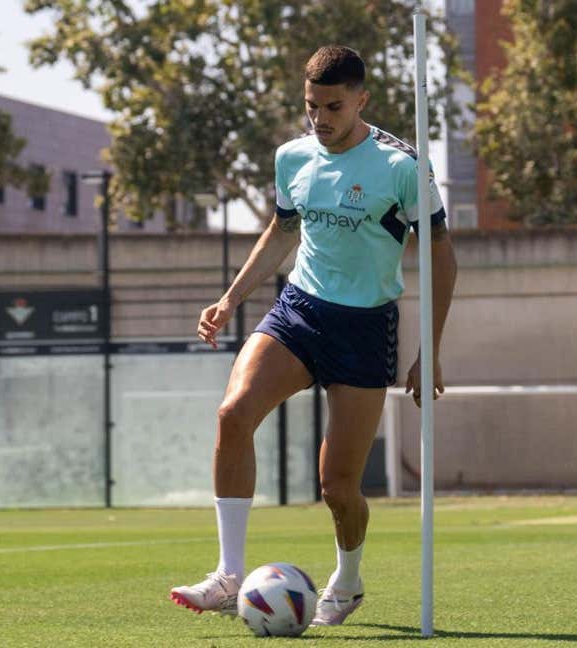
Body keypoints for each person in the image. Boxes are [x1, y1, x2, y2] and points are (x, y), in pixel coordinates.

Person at [169, 45, 457, 627]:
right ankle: (228, 576)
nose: (319, 119)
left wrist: (430, 354)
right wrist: (231, 299)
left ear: (360, 100)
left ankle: (347, 583)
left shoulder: (403, 166)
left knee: (338, 487)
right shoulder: (292, 157)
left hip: (365, 326)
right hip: (299, 309)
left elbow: (442, 260)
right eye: (310, 106)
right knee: (232, 415)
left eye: (332, 106)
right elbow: (282, 230)